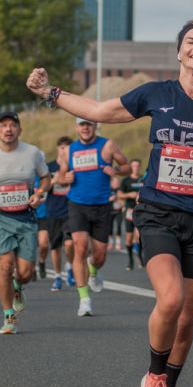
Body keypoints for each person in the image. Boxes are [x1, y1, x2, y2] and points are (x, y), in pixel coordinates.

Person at [26, 19, 193, 387]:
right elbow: (99, 110)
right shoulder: (158, 94)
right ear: (180, 52)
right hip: (158, 213)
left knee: (188, 318)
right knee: (170, 300)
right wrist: (50, 93)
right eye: (191, 42)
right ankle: (152, 376)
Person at [0, 111, 50, 335]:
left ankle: (18, 287)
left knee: (24, 272)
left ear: (19, 130)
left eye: (12, 125)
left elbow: (46, 178)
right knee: (5, 266)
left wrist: (40, 192)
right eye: (3, 125)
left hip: (26, 217)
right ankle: (8, 316)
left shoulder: (32, 153)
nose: (8, 129)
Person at [61, 117, 131, 316]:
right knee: (80, 247)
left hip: (101, 205)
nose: (85, 128)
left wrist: (116, 170)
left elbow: (126, 166)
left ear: (95, 126)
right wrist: (65, 178)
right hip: (77, 204)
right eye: (82, 125)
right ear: (77, 127)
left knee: (99, 255)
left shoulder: (107, 145)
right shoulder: (69, 150)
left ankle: (93, 270)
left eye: (89, 125)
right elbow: (59, 176)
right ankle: (84, 299)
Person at [40, 136, 72, 290]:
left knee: (69, 243)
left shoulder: (75, 166)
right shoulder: (49, 166)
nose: (64, 150)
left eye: (67, 147)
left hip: (70, 211)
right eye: (62, 147)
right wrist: (54, 180)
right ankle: (58, 276)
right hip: (53, 211)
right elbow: (43, 187)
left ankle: (71, 266)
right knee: (55, 247)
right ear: (58, 149)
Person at [117, 159, 146, 270]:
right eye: (134, 166)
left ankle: (140, 256)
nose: (136, 168)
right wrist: (130, 194)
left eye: (138, 166)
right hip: (130, 211)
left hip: (142, 211)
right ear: (131, 167)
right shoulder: (126, 181)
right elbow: (119, 195)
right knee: (128, 239)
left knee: (139, 237)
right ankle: (130, 260)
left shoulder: (144, 179)